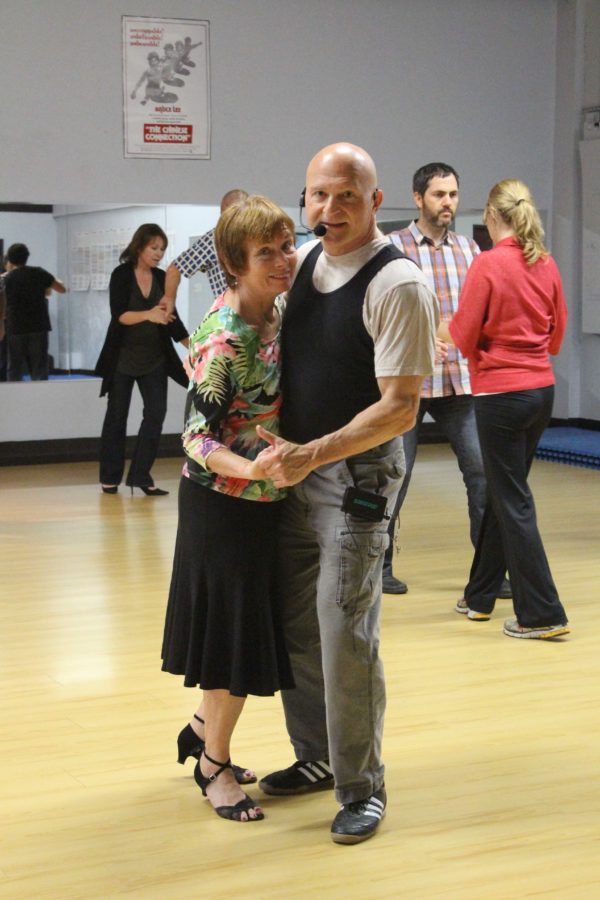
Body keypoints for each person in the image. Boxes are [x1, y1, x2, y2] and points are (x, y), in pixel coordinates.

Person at [256, 143, 438, 844]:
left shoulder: (398, 285)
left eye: (345, 197)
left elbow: (399, 408)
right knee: (294, 625)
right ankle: (317, 758)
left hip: (353, 478)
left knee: (343, 632)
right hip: (294, 471)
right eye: (316, 196)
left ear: (374, 200)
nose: (328, 210)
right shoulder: (302, 263)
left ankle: (363, 786)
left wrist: (312, 455)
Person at [161, 195, 297, 823]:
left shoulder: (275, 314)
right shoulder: (223, 338)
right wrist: (254, 469)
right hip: (224, 507)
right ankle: (213, 762)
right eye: (265, 252)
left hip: (262, 504)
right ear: (234, 264)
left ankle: (198, 729)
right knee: (234, 644)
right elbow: (196, 440)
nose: (282, 260)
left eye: (286, 245)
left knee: (235, 636)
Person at [444, 179, 569, 639]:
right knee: (504, 491)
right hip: (541, 393)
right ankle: (480, 597)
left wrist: (438, 329)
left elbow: (462, 335)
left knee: (512, 499)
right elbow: (555, 339)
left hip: (500, 396)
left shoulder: (488, 263)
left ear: (491, 217)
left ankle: (543, 612)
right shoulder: (547, 264)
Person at [384, 163, 509, 599]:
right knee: (394, 475)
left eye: (453, 195)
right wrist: (419, 338)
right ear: (418, 198)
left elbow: (481, 312)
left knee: (482, 474)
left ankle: (488, 572)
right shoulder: (392, 247)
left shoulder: (471, 251)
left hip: (461, 383)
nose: (448, 203)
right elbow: (381, 312)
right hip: (408, 384)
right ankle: (378, 566)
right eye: (439, 195)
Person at [95, 224, 188, 495]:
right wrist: (148, 314)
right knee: (116, 417)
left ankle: (140, 476)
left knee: (156, 413)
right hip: (123, 359)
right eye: (154, 248)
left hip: (155, 359)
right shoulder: (121, 275)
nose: (159, 254)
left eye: (162, 249)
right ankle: (109, 477)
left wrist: (194, 347)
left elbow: (172, 320)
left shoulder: (161, 277)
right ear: (139, 247)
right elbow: (120, 315)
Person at [160, 189, 249, 307]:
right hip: (232, 315)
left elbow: (174, 269)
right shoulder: (214, 239)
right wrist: (169, 300)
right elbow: (175, 268)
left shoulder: (259, 237)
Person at [3, 242, 66, 381]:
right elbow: (62, 289)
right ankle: (41, 397)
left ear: (10, 260)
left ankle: (13, 397)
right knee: (39, 366)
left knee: (14, 366)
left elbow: (3, 302)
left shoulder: (7, 278)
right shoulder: (39, 273)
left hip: (16, 326)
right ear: (27, 257)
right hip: (38, 325)